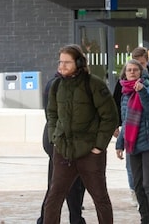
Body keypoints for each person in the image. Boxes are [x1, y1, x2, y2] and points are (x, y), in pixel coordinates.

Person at [42, 43, 119, 224]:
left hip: (90, 152)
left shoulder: (94, 84)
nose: (62, 66)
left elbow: (110, 117)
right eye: (60, 62)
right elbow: (51, 114)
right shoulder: (56, 86)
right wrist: (55, 137)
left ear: (78, 62)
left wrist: (99, 146)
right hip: (63, 151)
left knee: (100, 198)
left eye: (67, 63)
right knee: (53, 199)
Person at [115, 59, 149, 224]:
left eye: (135, 70)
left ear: (140, 73)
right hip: (133, 144)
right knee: (138, 186)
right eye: (128, 70)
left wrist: (142, 91)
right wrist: (119, 143)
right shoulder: (125, 94)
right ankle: (145, 219)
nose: (131, 72)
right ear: (125, 73)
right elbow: (126, 121)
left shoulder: (148, 88)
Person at [37, 70, 87, 224]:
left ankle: (54, 218)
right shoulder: (58, 85)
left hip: (65, 140)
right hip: (61, 141)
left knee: (66, 183)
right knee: (62, 184)